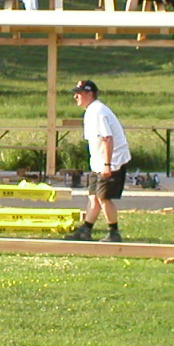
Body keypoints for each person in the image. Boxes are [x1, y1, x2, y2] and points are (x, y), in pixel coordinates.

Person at [65, 79, 130, 242]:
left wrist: (107, 165)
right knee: (93, 196)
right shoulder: (91, 111)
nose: (75, 97)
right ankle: (86, 230)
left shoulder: (98, 111)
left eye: (79, 94)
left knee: (103, 197)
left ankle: (114, 233)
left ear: (89, 94)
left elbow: (108, 138)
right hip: (99, 162)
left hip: (112, 160)